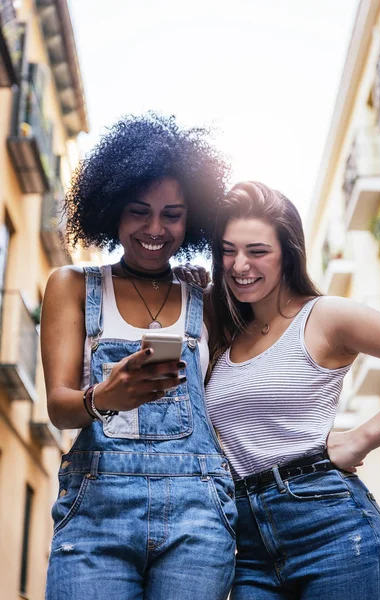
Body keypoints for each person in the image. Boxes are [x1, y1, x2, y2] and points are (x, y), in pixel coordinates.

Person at [41, 113, 237, 600]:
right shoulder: (73, 286)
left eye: (172, 214)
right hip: (97, 512)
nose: (155, 229)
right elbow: (58, 407)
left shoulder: (205, 299)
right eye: (138, 211)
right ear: (112, 211)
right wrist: (102, 396)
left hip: (198, 518)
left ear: (192, 219)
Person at [204, 181, 380, 599]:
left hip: (336, 531)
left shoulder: (325, 316)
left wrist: (361, 439)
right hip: (248, 544)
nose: (240, 265)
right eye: (228, 250)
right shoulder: (223, 333)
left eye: (257, 251)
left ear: (286, 254)